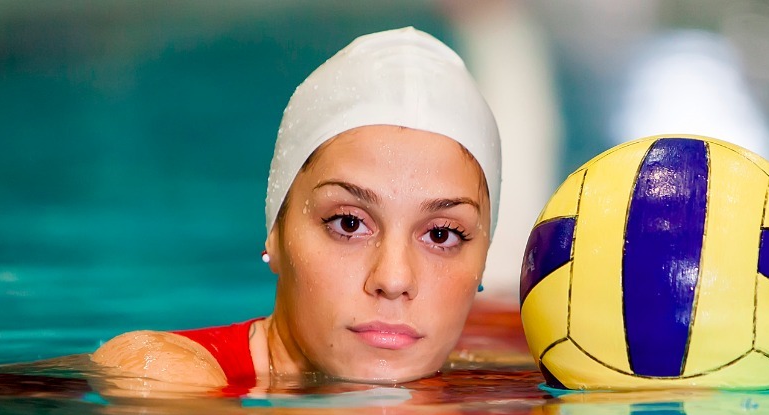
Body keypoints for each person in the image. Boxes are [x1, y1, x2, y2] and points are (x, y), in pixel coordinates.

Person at [90, 27, 502, 391]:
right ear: (276, 232)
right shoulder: (160, 376)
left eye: (441, 235)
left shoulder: (497, 382)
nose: (393, 279)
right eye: (349, 223)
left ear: (483, 260)